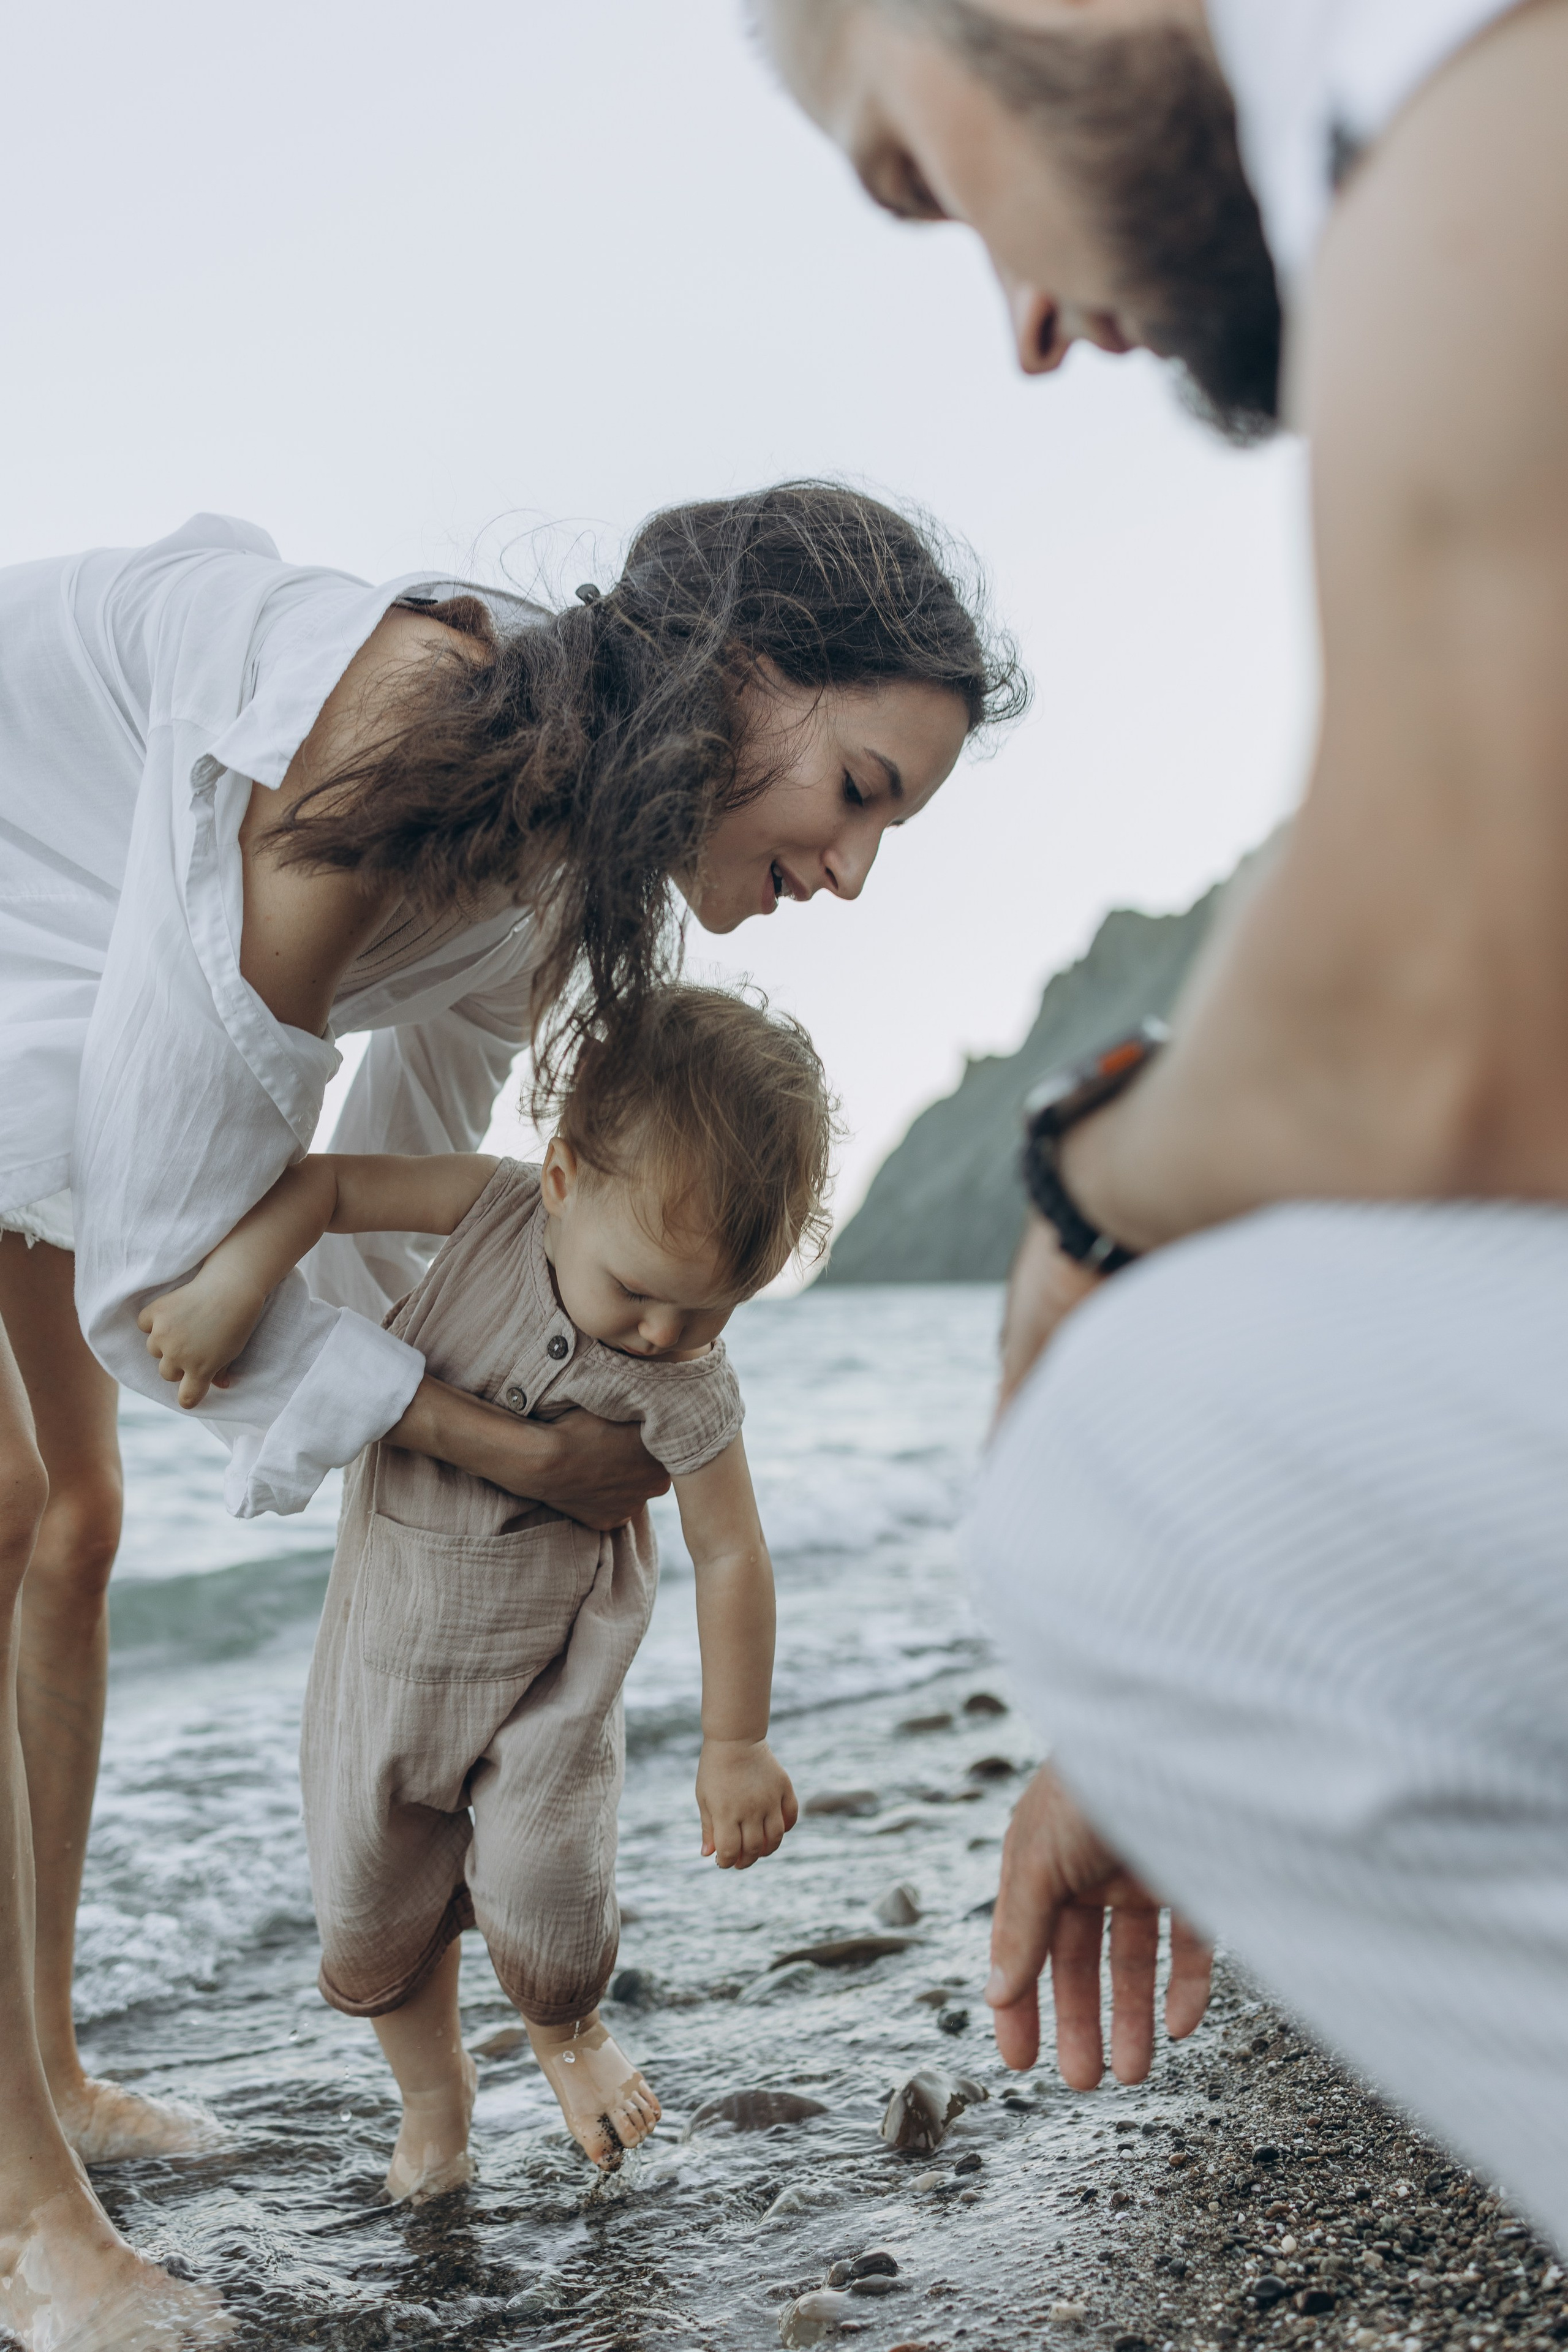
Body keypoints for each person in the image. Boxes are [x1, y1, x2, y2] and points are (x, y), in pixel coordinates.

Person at [0, 492, 1016, 2346]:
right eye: (859, 791)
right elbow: (164, 1284)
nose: (855, 874)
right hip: (35, 920)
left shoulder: (570, 864)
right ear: (749, 682)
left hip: (58, 984)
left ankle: (49, 2069)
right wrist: (518, 1457)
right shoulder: (411, 729)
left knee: (76, 1525)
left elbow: (411, 1201)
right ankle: (23, 2210)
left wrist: (568, 1394)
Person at [753, 0, 1568, 2246]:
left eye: (913, 176)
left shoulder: (1462, 92)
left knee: (1126, 1474)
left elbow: (1451, 1025)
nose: (1020, 326)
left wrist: (1077, 1197)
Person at [135, 983, 826, 2198]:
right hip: (390, 1642)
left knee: (548, 1886)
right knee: (369, 1896)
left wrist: (738, 1743)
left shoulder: (689, 1386)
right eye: (642, 1292)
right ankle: (433, 2097)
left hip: (555, 1671)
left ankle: (565, 2031)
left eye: (711, 1309)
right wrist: (238, 1278)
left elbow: (731, 1552)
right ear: (561, 1179)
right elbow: (331, 1184)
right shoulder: (492, 1207)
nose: (667, 1334)